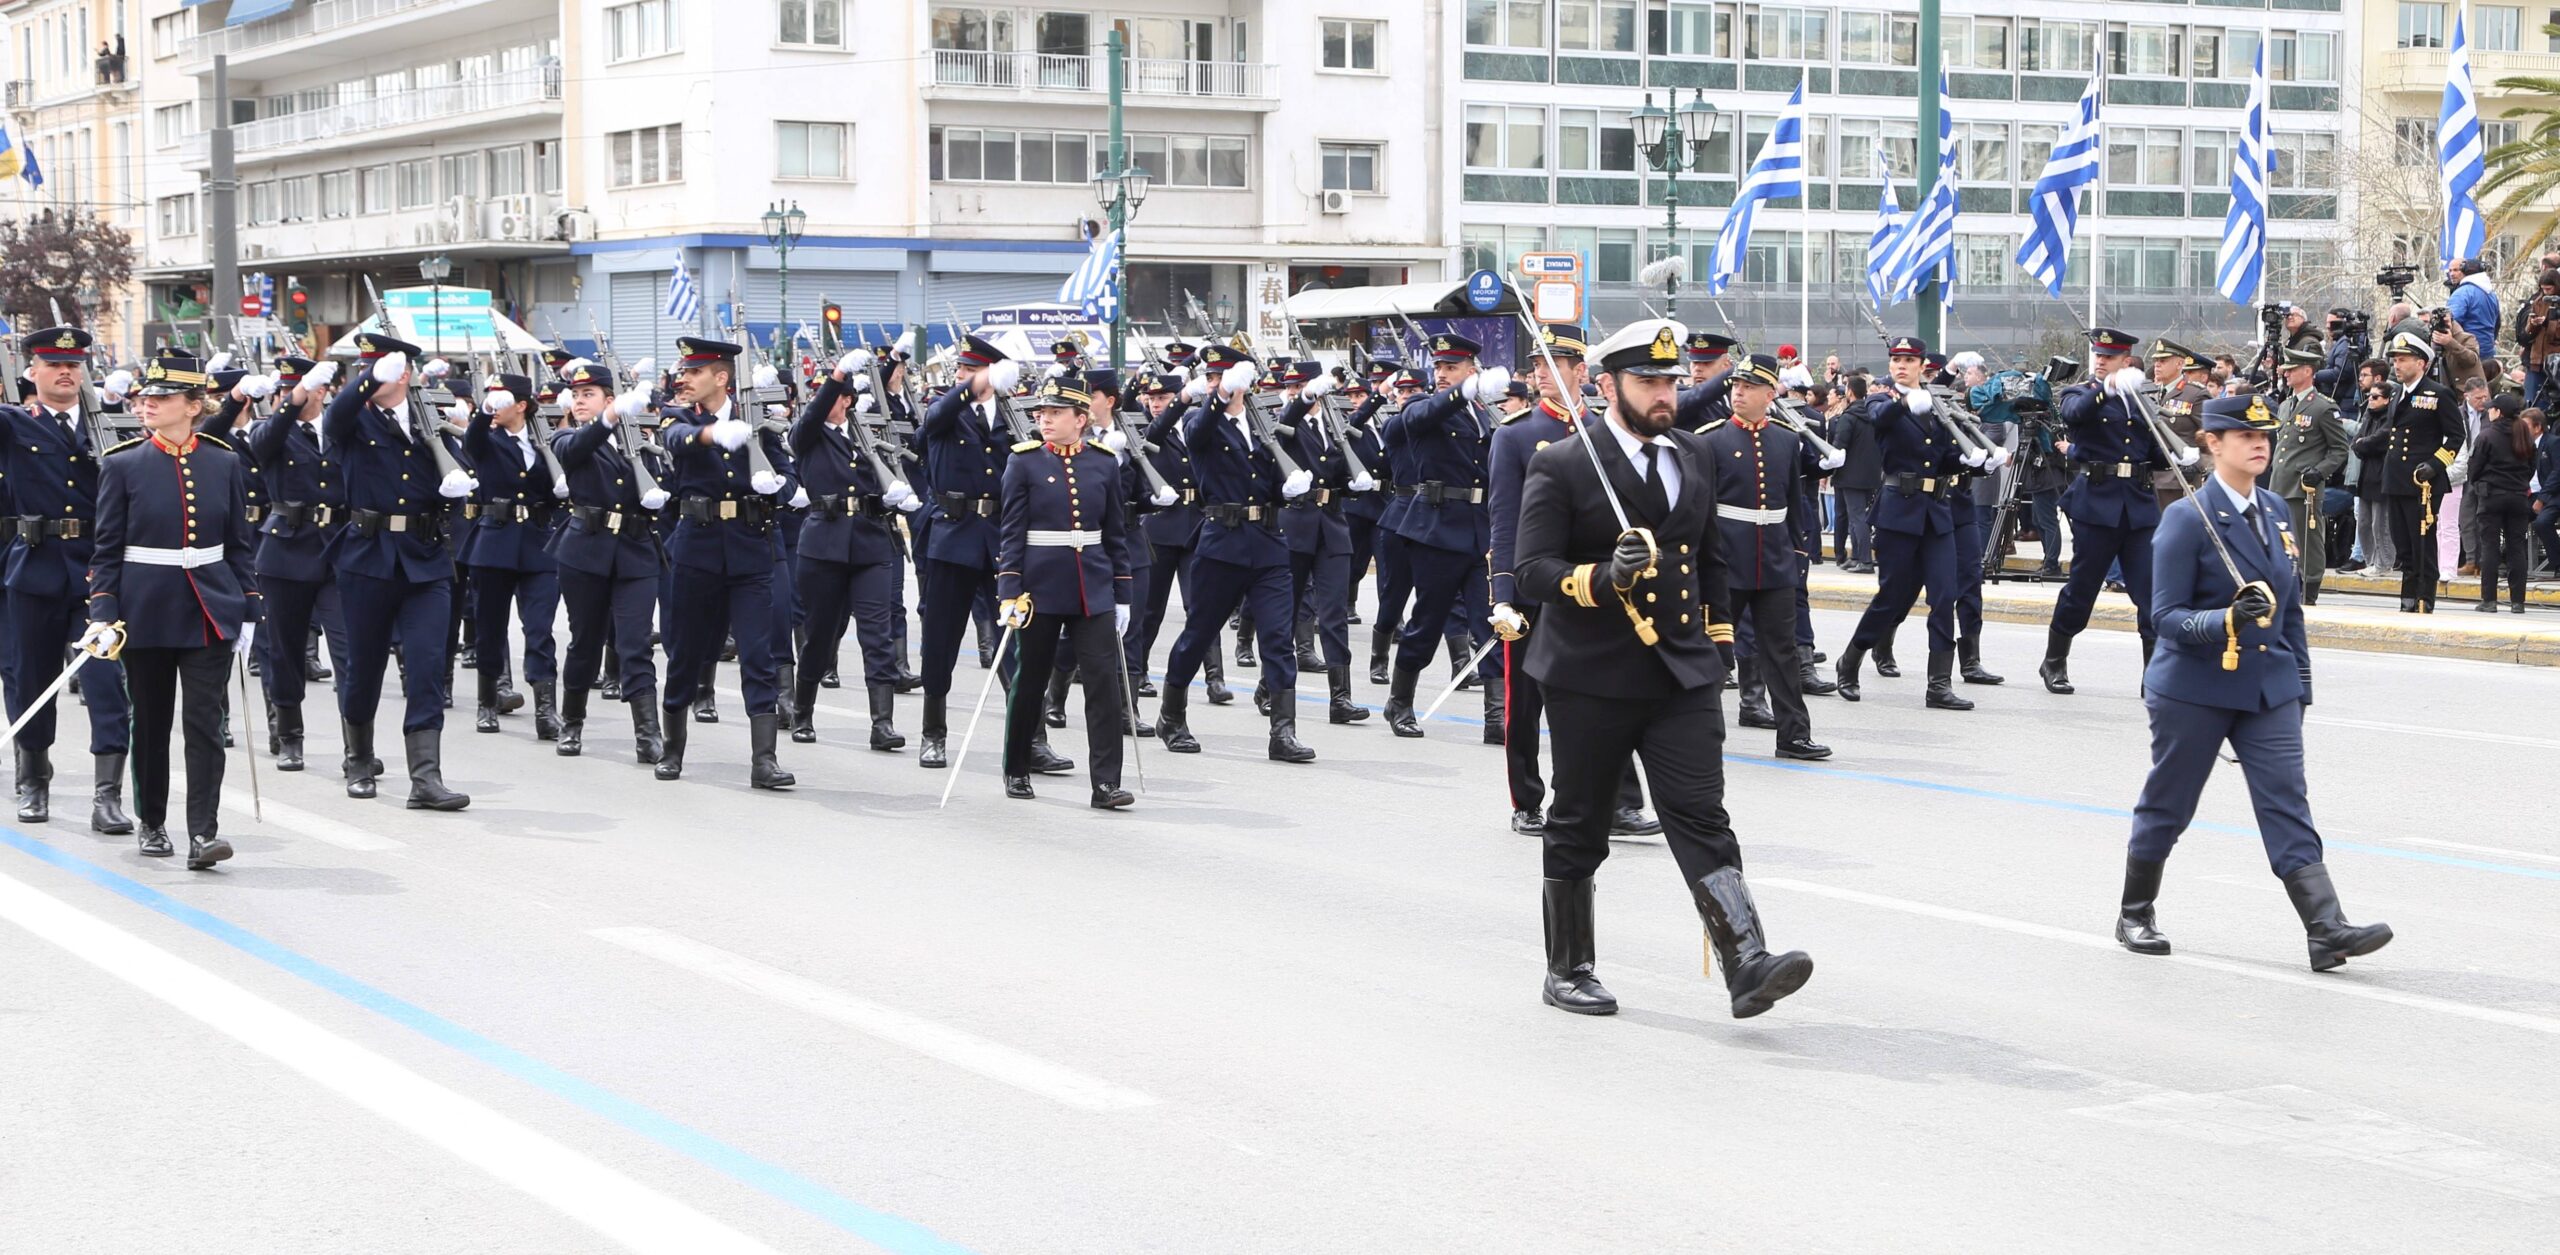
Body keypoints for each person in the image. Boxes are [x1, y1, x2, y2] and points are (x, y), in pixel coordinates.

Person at [1512, 318, 1812, 1020]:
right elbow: (1531, 570)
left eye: (1671, 381)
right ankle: (1569, 967)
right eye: (1647, 381)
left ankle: (1745, 960)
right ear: (1607, 385)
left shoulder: (1692, 453)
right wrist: (1599, 575)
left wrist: (1719, 641)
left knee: (1701, 813)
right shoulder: (1565, 463)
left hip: (1680, 669)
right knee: (1580, 820)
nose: (1663, 394)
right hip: (1590, 672)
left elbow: (1709, 556)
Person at [2118, 393, 2393, 972]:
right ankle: (2135, 911)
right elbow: (2163, 617)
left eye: (2264, 435)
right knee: (2171, 801)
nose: (2259, 444)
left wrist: (2300, 685)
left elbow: (2289, 611)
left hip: (2269, 687)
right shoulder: (2186, 518)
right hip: (2195, 686)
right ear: (2212, 443)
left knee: (2286, 801)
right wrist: (2224, 619)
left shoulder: (2274, 509)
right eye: (2245, 436)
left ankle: (2326, 929)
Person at [83, 350, 261, 869]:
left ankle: (203, 833)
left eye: (161, 398)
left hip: (209, 607)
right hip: (145, 610)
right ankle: (153, 822)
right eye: (145, 398)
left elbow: (238, 542)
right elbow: (106, 549)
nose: (147, 405)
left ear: (193, 405)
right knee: (151, 721)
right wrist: (102, 611)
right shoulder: (122, 464)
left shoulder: (223, 461)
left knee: (206, 723)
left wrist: (249, 607)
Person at [324, 333, 471, 810]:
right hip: (367, 557)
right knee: (364, 665)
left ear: (405, 374)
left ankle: (426, 778)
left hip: (425, 558)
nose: (368, 374)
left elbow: (460, 473)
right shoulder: (353, 418)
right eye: (364, 367)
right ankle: (359, 760)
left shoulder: (431, 418)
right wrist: (367, 383)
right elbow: (336, 417)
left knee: (427, 666)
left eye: (380, 367)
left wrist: (456, 487)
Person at [1155, 345, 1318, 762]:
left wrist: (1287, 489)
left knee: (1278, 639)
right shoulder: (1199, 421)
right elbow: (1198, 432)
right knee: (1199, 634)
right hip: (1222, 545)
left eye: (1222, 377)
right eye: (1211, 378)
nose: (1216, 384)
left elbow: (1267, 476)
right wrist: (1220, 394)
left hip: (1268, 544)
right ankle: (1171, 717)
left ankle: (1282, 733)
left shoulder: (1260, 423)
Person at [2, 326, 135, 831]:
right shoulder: (15, 424)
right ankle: (34, 781)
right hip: (35, 568)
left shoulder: (107, 428)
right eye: (54, 364)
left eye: (73, 365)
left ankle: (107, 796)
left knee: (105, 683)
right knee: (31, 680)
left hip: (95, 574)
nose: (65, 372)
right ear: (31, 371)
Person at [651, 337, 796, 787]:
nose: (685, 379)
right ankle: (673, 750)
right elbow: (675, 439)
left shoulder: (758, 424)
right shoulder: (680, 417)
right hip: (697, 549)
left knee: (758, 653)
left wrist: (777, 486)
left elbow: (790, 479)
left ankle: (764, 761)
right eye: (684, 372)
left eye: (695, 372)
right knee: (686, 651)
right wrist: (711, 434)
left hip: (751, 551)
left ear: (721, 377)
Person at [995, 373, 1134, 807]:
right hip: (1039, 588)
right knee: (1030, 681)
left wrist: (1123, 593)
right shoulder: (1024, 462)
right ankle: (1018, 768)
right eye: (1042, 412)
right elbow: (1011, 533)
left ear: (1081, 418)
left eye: (1056, 413)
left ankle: (1106, 783)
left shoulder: (1104, 463)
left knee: (1102, 686)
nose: (1045, 419)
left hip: (1092, 588)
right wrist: (1009, 590)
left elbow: (1115, 533)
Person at [1838, 336, 1988, 708]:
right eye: (1896, 360)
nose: (1901, 366)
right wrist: (1905, 401)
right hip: (1898, 513)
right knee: (1891, 597)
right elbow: (1879, 420)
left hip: (1936, 513)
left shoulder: (1936, 402)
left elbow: (1942, 457)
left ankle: (1939, 685)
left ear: (1922, 366)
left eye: (1908, 361)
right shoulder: (1882, 398)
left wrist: (1969, 461)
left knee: (1944, 596)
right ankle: (1850, 660)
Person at [1695, 354, 1833, 758]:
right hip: (1726, 561)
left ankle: (1794, 735)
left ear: (1770, 394)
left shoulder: (1786, 440)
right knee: (1714, 651)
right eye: (1736, 386)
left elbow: (1793, 501)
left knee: (1782, 651)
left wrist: (1797, 551)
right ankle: (1696, 732)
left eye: (1749, 387)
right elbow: (1700, 509)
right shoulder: (1711, 440)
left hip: (1773, 559)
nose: (1738, 393)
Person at [2039, 328, 2184, 695]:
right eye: (2099, 355)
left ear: (2126, 360)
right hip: (2096, 504)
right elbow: (2074, 414)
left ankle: (2154, 675)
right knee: (2082, 588)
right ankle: (2054, 660)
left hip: (2138, 505)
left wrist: (2176, 451)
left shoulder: (2140, 400)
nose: (2101, 361)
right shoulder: (2082, 392)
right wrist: (2108, 388)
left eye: (2110, 357)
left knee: (2150, 591)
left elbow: (2150, 452)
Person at [1380, 333, 1502, 739]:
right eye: (1439, 367)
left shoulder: (1481, 412)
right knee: (1427, 621)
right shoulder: (1422, 406)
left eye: (1452, 367)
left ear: (1472, 369)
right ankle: (1400, 702)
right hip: (1437, 529)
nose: (1443, 373)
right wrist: (1459, 392)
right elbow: (1420, 417)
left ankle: (1496, 716)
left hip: (1479, 530)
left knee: (1490, 622)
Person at [549, 358, 668, 763]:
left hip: (635, 552)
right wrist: (609, 418)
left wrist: (660, 491)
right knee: (585, 642)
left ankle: (648, 735)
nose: (580, 401)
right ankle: (572, 722)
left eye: (589, 394)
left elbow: (664, 477)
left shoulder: (641, 440)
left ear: (609, 397)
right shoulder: (567, 437)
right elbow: (575, 450)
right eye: (576, 395)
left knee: (636, 644)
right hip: (585, 552)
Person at [244, 355, 348, 772]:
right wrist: (295, 397)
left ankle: (357, 748)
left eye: (298, 388)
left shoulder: (340, 430)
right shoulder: (270, 430)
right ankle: (289, 735)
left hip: (338, 551)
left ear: (323, 391)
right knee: (284, 651)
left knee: (349, 651)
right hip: (285, 552)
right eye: (284, 390)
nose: (288, 395)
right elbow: (265, 440)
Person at [461, 374, 565, 739]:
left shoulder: (544, 443)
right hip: (494, 543)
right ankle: (488, 702)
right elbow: (472, 442)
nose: (494, 405)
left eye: (501, 399)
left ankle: (546, 710)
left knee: (539, 629)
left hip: (538, 546)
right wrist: (483, 411)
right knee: (490, 626)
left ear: (521, 405)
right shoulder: (488, 440)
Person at [2352, 332, 2465, 613]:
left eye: (2403, 359)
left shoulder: (2438, 394)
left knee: (2422, 544)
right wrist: (2364, 444)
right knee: (2403, 545)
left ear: (2421, 363)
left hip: (2422, 482)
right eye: (2395, 360)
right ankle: (2408, 599)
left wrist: (2435, 465)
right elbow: (2392, 432)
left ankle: (2424, 599)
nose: (2397, 365)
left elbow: (2456, 436)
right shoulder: (2397, 394)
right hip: (2395, 479)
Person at [2268, 348, 2349, 605]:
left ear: (2307, 371)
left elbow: (2339, 449)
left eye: (2292, 369)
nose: (2286, 374)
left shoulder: (2323, 407)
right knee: (2282, 541)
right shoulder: (2285, 405)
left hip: (2304, 487)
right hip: (2280, 485)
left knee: (2308, 541)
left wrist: (2319, 472)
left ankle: (2309, 588)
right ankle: (2287, 585)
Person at [2467, 393, 2537, 612]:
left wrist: (2480, 482)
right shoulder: (2525, 436)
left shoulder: (2487, 436)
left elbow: (2474, 468)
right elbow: (2532, 467)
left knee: (2490, 546)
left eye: (2491, 408)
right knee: (2517, 547)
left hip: (2491, 496)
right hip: (2518, 496)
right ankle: (2518, 602)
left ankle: (2489, 600)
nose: (2489, 411)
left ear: (2498, 412)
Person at [1828, 373, 1881, 573]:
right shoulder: (1873, 416)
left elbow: (1839, 445)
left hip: (1850, 474)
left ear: (1849, 392)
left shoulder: (1848, 417)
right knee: (1858, 516)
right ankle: (1856, 556)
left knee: (1857, 517)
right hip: (1870, 474)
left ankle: (1865, 560)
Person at [2446, 257, 2502, 373]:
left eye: (2456, 270)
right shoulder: (2491, 294)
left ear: (2464, 271)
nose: (2452, 274)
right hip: (2488, 350)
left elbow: (2451, 322)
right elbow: (2497, 323)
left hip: (2468, 352)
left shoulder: (2462, 293)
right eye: (2450, 270)